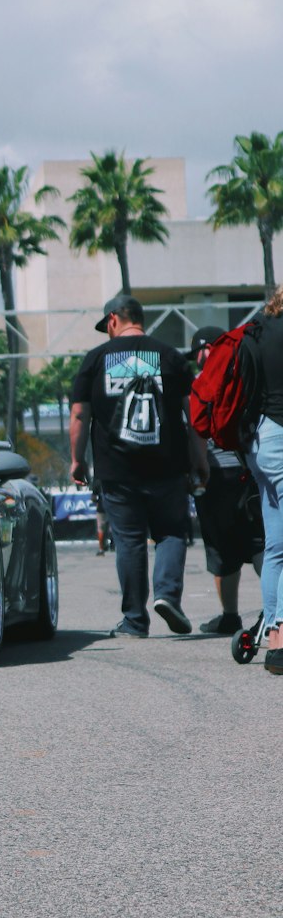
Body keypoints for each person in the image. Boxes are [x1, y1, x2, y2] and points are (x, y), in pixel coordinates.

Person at [69, 293, 208, 637]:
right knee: (172, 532)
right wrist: (200, 459)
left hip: (117, 469)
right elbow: (192, 415)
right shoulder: (171, 357)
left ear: (114, 320)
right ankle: (167, 596)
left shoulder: (96, 359)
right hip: (167, 465)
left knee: (129, 540)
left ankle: (134, 620)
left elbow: (79, 415)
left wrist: (76, 460)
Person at [189, 326, 264, 635]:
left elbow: (195, 429)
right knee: (254, 542)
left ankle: (240, 614)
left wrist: (198, 469)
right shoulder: (249, 374)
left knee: (235, 546)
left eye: (204, 350)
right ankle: (242, 613)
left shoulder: (201, 384)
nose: (203, 355)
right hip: (249, 470)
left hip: (221, 474)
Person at [243, 284, 283, 675]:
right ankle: (281, 641)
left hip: (261, 439)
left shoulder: (257, 327)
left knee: (276, 547)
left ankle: (272, 634)